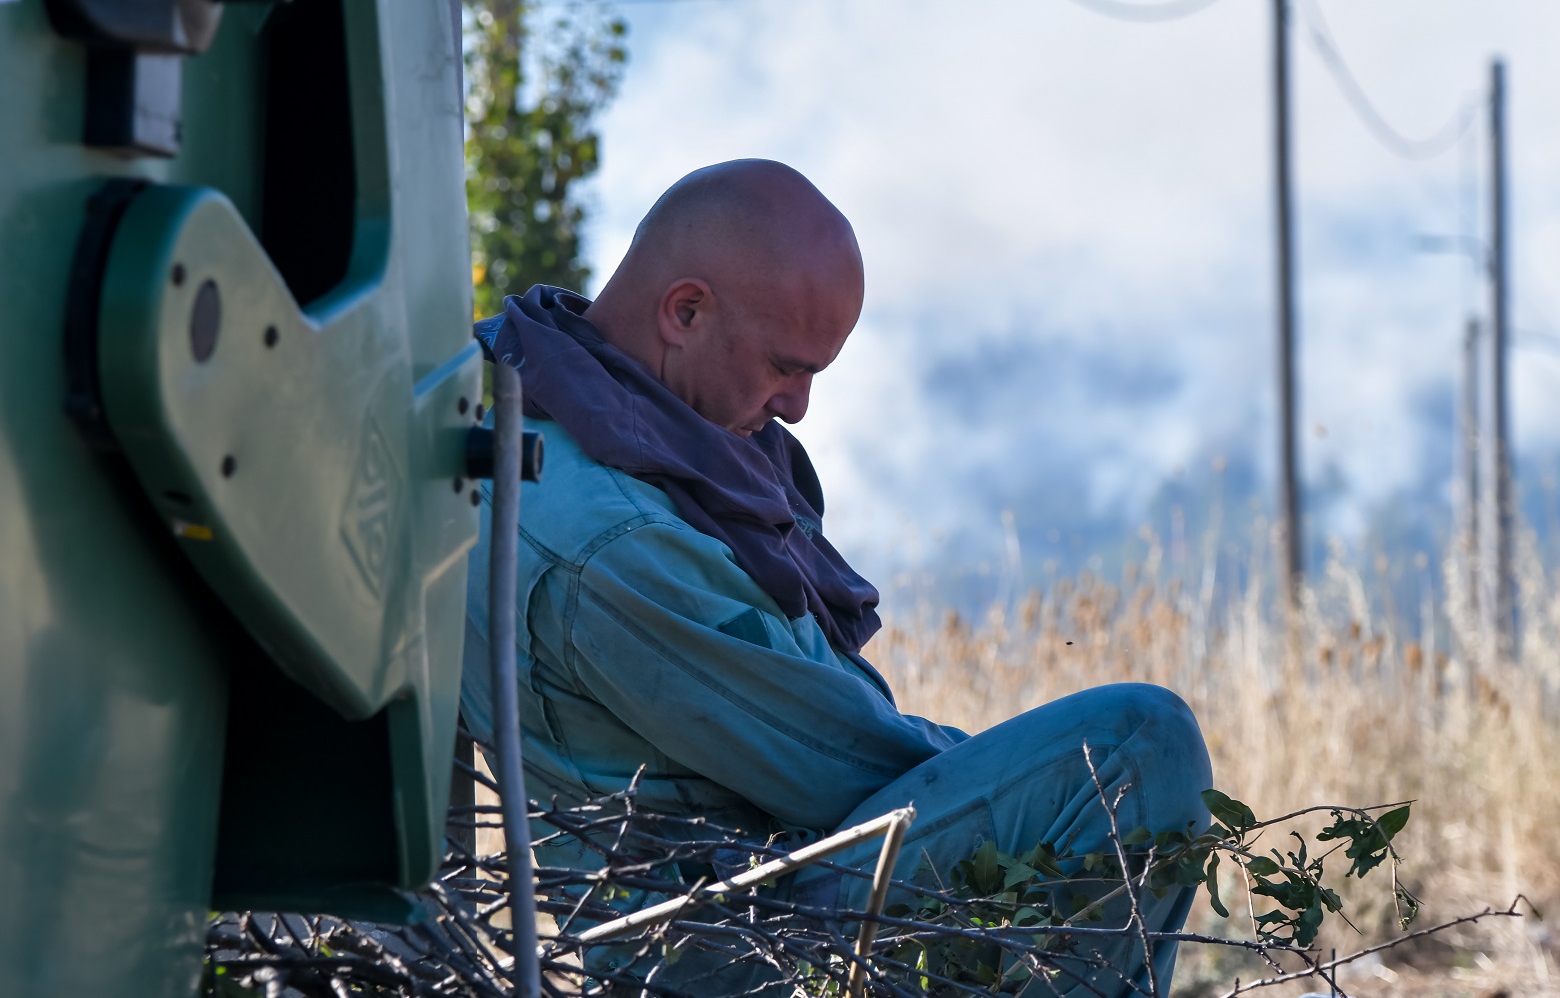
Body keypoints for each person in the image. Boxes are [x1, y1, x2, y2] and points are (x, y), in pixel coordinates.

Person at [460, 159, 1213, 996]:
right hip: (725, 949)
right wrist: (1007, 767)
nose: (799, 405)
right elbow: (847, 769)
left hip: (759, 900)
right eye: (789, 366)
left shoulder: (578, 413)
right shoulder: (613, 541)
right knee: (1136, 748)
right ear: (685, 311)